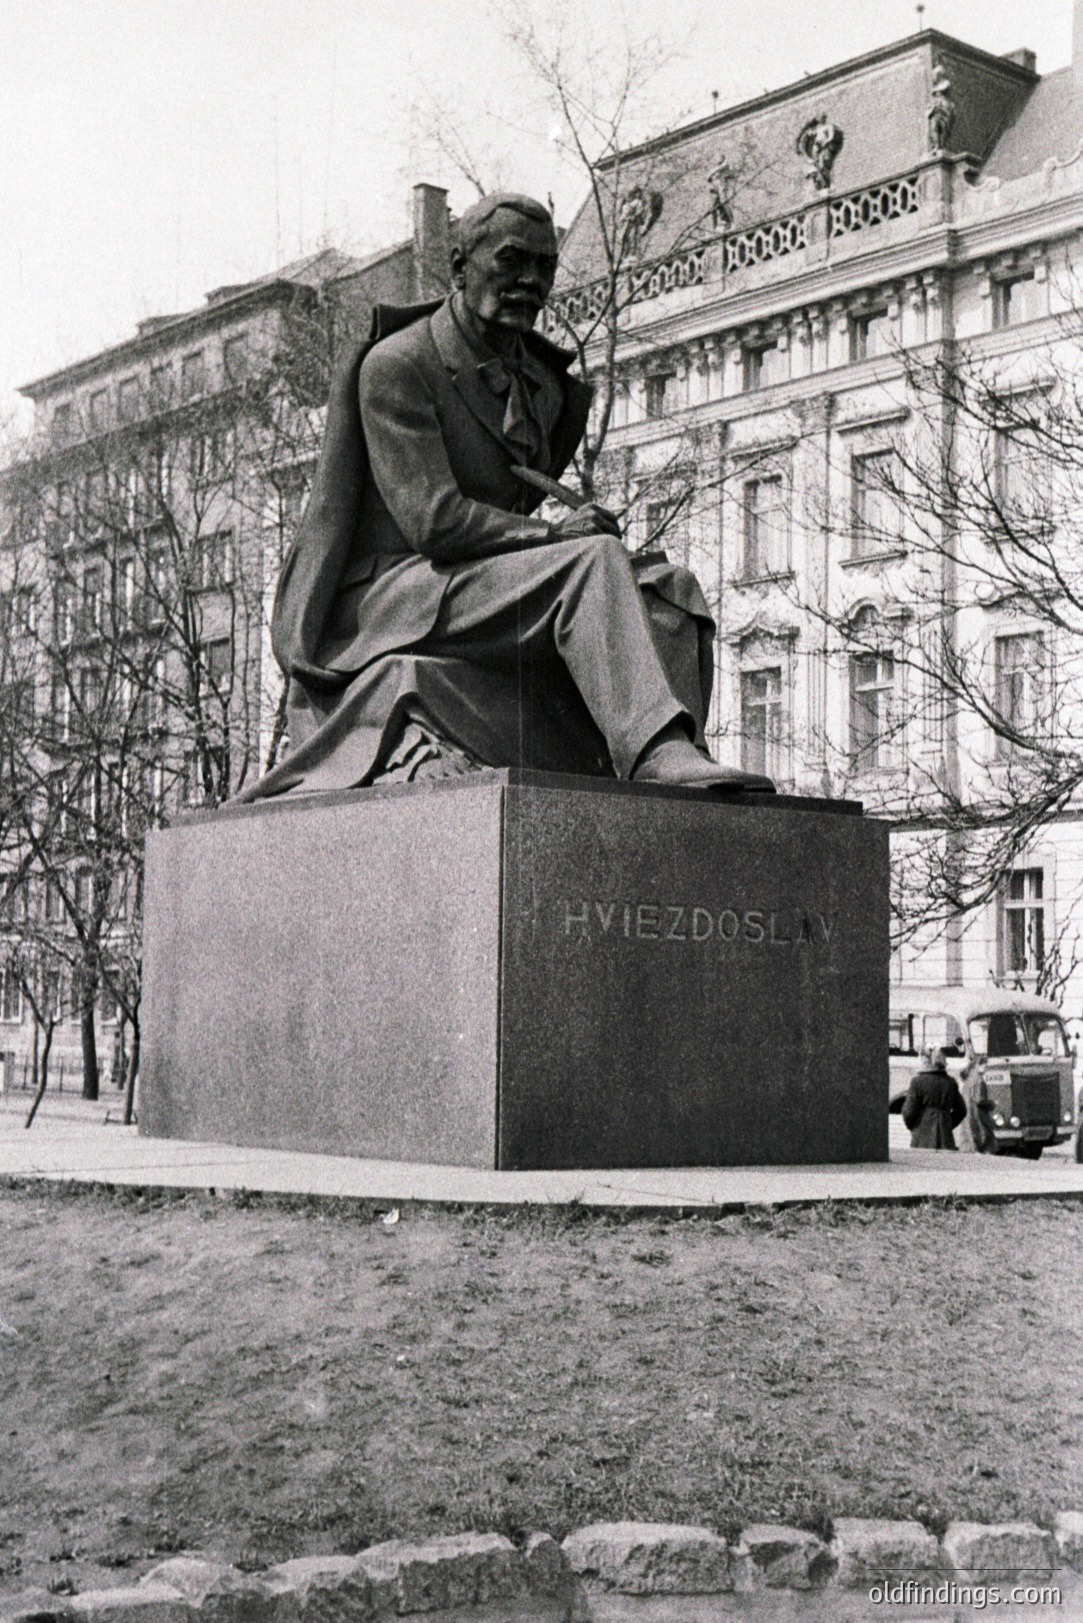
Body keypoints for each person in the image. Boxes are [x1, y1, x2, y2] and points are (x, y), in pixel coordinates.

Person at [240, 193, 775, 801]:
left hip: (478, 583)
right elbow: (433, 520)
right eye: (513, 260)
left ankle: (676, 763)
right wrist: (556, 537)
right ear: (461, 266)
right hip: (395, 591)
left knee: (669, 589)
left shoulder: (544, 387)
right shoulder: (398, 364)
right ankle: (654, 751)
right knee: (592, 562)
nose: (531, 281)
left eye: (545, 266)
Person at [901, 1047, 967, 1150]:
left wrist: (915, 1127)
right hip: (945, 1133)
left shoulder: (917, 1082)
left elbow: (908, 1111)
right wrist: (948, 1123)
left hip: (922, 1133)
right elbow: (961, 1110)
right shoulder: (950, 1082)